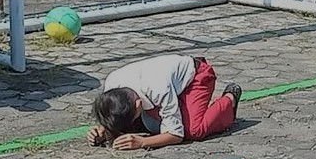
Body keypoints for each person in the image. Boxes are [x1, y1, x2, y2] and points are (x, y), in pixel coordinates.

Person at [88, 54, 241, 151]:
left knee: (193, 130)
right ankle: (198, 109)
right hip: (168, 87)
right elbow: (111, 110)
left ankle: (228, 100)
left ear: (138, 105)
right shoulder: (112, 82)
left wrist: (143, 142)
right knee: (142, 125)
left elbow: (176, 134)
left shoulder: (158, 87)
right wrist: (104, 128)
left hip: (196, 77)